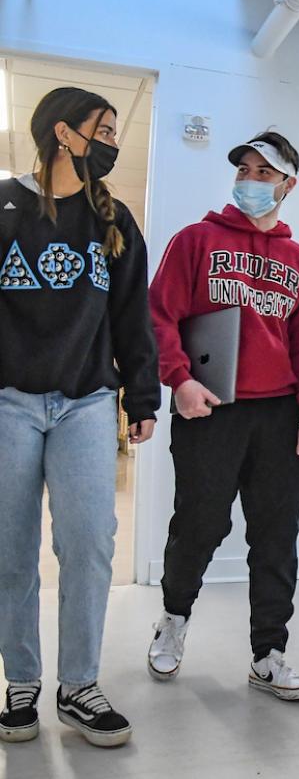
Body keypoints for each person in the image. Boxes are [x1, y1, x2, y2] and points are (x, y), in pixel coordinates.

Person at [145, 131, 299, 701]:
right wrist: (179, 380)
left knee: (277, 536)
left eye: (264, 173)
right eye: (244, 170)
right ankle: (174, 617)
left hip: (278, 417)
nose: (250, 180)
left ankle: (268, 654)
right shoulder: (196, 240)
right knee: (200, 524)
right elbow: (159, 316)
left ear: (288, 185)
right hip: (211, 409)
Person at [0, 87, 159, 747]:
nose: (111, 143)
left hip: (88, 400)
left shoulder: (112, 218)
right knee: (9, 550)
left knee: (90, 542)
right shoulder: (4, 206)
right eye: (103, 129)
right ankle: (22, 681)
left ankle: (79, 685)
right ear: (62, 133)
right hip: (8, 400)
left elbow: (131, 316)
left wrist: (142, 397)